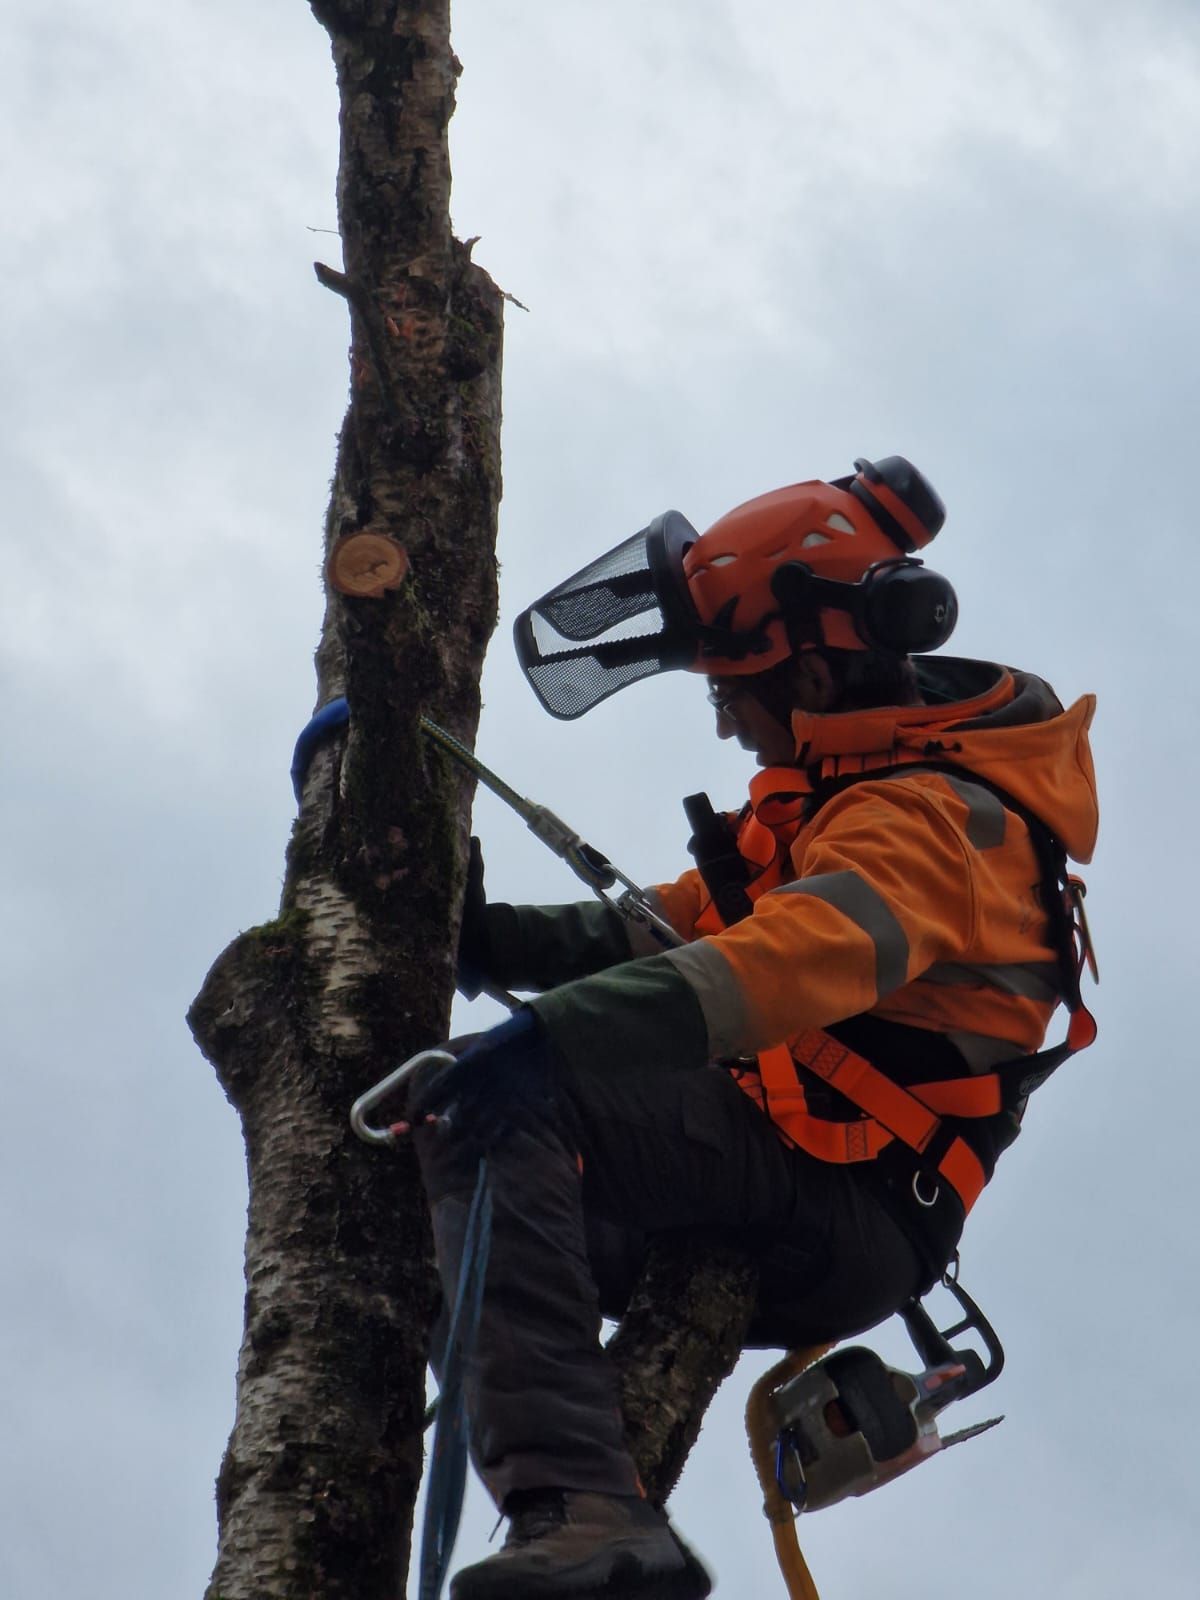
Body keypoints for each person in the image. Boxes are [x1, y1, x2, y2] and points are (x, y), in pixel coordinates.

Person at [407, 456, 1098, 1600]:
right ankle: (560, 1496)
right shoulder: (845, 783)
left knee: (495, 1094)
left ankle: (585, 1516)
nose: (725, 722)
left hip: (854, 1206)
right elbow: (675, 929)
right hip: (792, 1165)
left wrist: (554, 1042)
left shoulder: (930, 817)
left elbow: (794, 957)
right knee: (421, 1171)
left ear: (815, 669)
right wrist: (485, 939)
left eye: (732, 688)